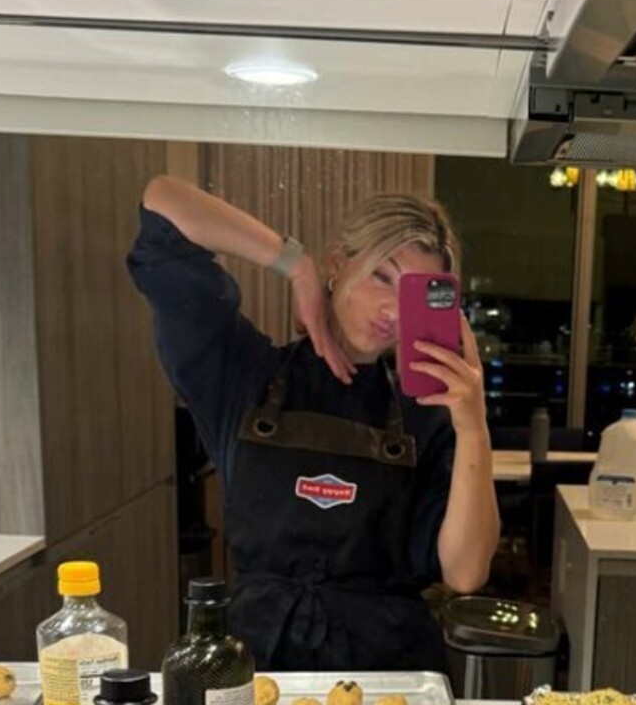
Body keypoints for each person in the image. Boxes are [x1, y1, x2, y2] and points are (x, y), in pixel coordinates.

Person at [128, 177, 499, 671]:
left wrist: (474, 426)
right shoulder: (242, 377)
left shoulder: (428, 416)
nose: (392, 310)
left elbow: (465, 572)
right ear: (338, 262)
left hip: (389, 678)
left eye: (413, 295)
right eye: (381, 276)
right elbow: (163, 203)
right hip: (258, 678)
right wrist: (295, 264)